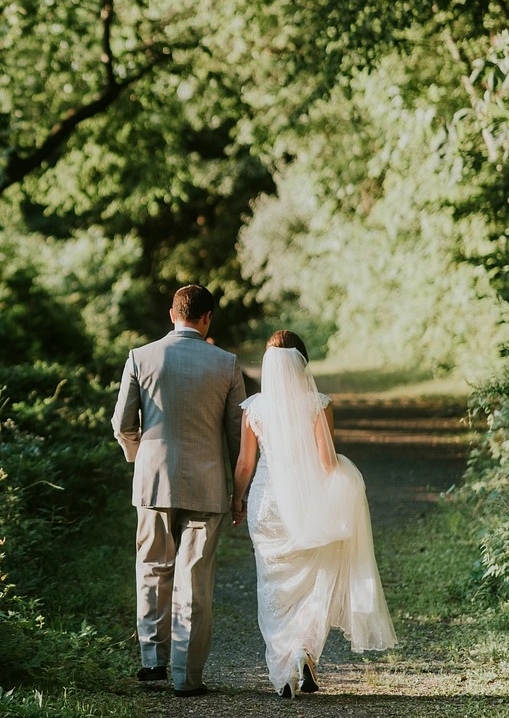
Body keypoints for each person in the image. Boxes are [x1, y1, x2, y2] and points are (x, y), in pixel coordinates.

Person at [230, 330, 397, 698]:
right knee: (314, 581)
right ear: (303, 364)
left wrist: (237, 501)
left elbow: (245, 463)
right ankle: (303, 652)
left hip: (267, 505)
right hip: (306, 505)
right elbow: (326, 462)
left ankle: (284, 668)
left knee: (273, 586)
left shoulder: (255, 408)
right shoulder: (318, 404)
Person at [111, 284, 246, 697]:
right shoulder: (226, 364)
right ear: (207, 319)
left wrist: (140, 456)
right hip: (207, 484)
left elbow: (122, 424)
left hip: (153, 480)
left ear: (173, 314)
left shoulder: (140, 357)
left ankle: (152, 663)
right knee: (195, 577)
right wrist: (238, 493)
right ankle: (187, 676)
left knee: (152, 568)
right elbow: (237, 437)